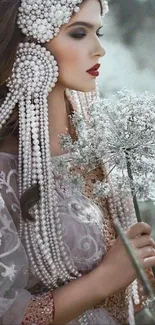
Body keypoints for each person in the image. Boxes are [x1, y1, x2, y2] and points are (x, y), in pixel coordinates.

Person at [0, 0, 155, 324]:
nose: (100, 49)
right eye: (79, 33)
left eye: (99, 32)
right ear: (31, 47)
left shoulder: (98, 142)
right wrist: (106, 278)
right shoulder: (6, 171)